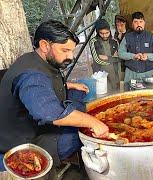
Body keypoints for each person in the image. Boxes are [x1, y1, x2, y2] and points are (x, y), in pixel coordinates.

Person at [0, 20, 109, 168]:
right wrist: (93, 122)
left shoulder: (34, 58)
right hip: (27, 145)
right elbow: (49, 113)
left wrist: (67, 85)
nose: (71, 57)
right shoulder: (31, 76)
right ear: (45, 45)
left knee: (78, 95)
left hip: (35, 127)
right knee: (83, 133)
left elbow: (44, 82)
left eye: (71, 51)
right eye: (65, 51)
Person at [118, 11, 153, 83]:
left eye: (141, 21)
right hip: (131, 73)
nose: (138, 24)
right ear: (132, 24)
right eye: (136, 22)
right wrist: (133, 56)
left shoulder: (152, 37)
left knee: (148, 94)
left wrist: (148, 56)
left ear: (144, 23)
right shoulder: (127, 37)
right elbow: (120, 53)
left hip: (148, 73)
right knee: (130, 93)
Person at [90, 18, 119, 92]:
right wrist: (113, 59)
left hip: (114, 72)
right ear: (97, 32)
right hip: (100, 72)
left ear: (109, 31)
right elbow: (97, 59)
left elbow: (119, 58)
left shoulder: (114, 41)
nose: (104, 35)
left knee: (115, 91)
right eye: (101, 33)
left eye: (107, 33)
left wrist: (107, 58)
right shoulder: (93, 42)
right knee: (103, 92)